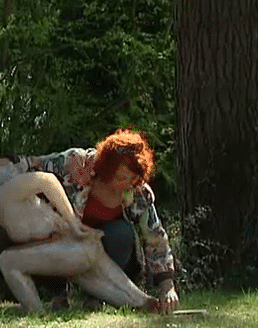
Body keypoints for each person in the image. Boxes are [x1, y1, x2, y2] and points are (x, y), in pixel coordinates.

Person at [0, 154, 160, 313]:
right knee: (109, 286)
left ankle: (34, 310)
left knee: (7, 260)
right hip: (71, 252)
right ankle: (144, 303)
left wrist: (73, 223)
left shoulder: (5, 193)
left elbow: (47, 180)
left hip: (72, 245)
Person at [21, 129, 179, 315]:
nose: (127, 184)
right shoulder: (75, 165)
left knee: (122, 234)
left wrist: (167, 286)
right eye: (120, 177)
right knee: (46, 228)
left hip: (103, 249)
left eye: (133, 179)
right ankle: (58, 292)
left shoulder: (139, 195)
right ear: (106, 169)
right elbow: (29, 166)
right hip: (62, 240)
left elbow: (156, 239)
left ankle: (97, 295)